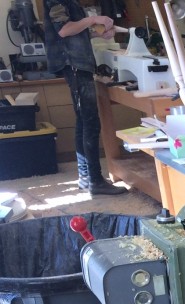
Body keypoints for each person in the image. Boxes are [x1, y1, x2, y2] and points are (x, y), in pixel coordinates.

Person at [43, 0, 126, 196]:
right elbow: (64, 30)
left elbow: (74, 31)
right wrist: (93, 19)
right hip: (74, 64)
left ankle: (87, 177)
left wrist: (98, 33)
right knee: (90, 122)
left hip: (78, 63)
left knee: (83, 120)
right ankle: (95, 181)